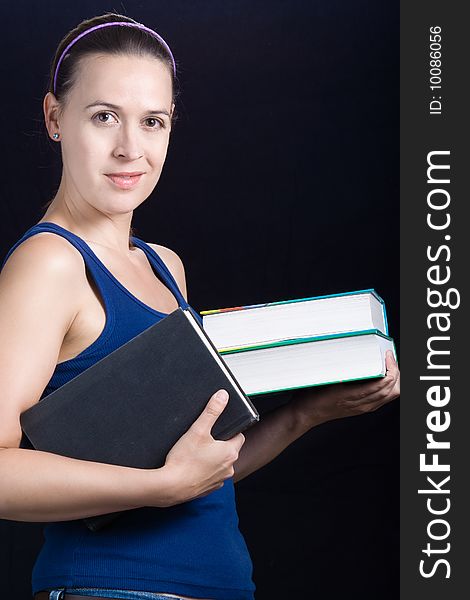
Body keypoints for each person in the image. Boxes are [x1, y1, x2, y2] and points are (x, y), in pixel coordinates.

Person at [0, 12, 400, 600]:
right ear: (55, 119)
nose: (129, 148)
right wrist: (161, 486)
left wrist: (305, 415)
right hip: (113, 589)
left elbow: (197, 473)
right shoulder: (51, 264)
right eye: (103, 116)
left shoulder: (164, 266)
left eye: (152, 121)